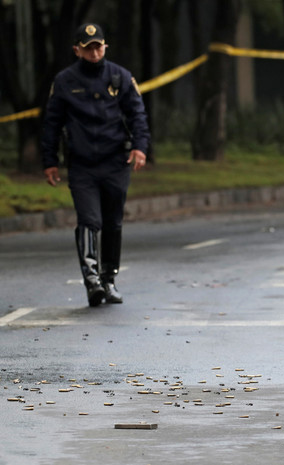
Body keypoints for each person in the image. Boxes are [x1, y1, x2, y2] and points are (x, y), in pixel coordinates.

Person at [41, 23, 150, 307]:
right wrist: (49, 161)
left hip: (115, 161)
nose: (94, 52)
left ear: (105, 47)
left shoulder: (120, 77)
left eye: (98, 46)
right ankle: (91, 281)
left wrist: (140, 146)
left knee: (113, 222)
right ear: (77, 50)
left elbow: (137, 113)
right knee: (90, 220)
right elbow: (52, 123)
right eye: (88, 47)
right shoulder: (65, 81)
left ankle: (108, 279)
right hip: (83, 165)